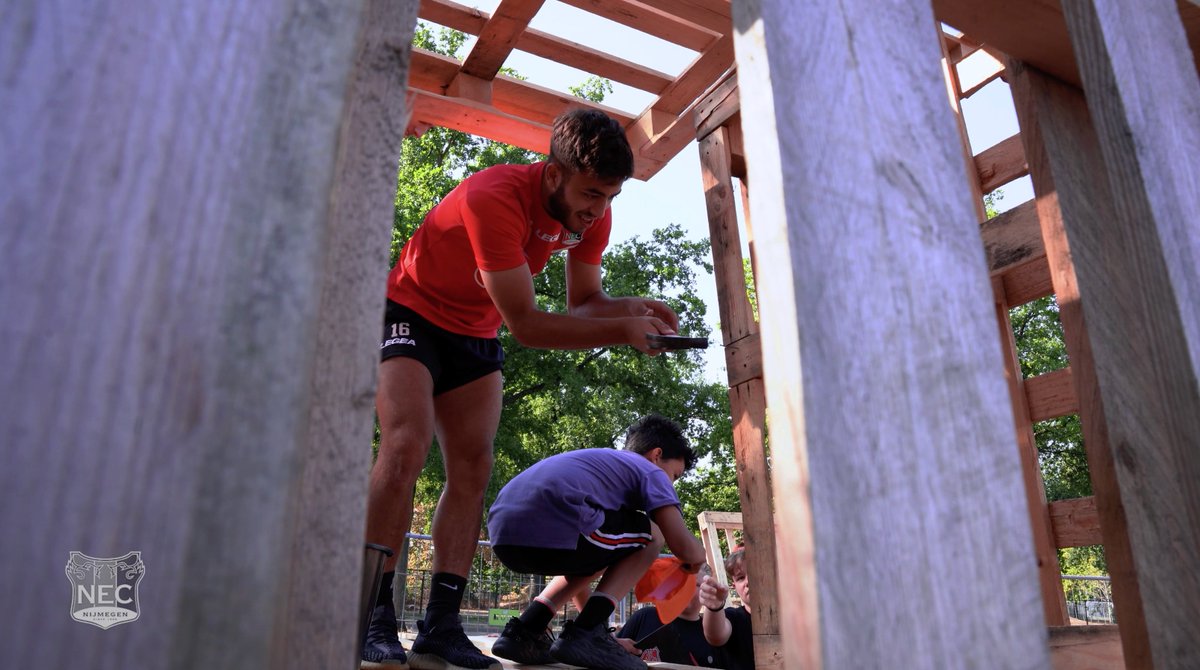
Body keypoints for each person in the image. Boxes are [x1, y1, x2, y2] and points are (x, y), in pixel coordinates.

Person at [361, 109, 681, 670]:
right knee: (406, 444)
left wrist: (632, 310)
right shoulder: (494, 197)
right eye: (591, 193)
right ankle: (371, 613)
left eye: (610, 196)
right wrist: (622, 331)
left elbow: (585, 304)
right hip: (412, 310)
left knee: (473, 466)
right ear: (554, 174)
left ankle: (441, 626)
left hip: (474, 332)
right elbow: (529, 326)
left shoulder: (592, 214)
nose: (598, 209)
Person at [486, 415, 708, 670]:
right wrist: (698, 559)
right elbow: (684, 548)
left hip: (505, 536)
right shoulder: (650, 470)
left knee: (608, 545)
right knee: (653, 534)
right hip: (554, 521)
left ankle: (526, 629)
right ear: (656, 455)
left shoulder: (603, 469)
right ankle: (586, 633)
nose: (671, 484)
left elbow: (585, 567)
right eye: (675, 475)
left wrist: (599, 636)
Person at [615, 569, 721, 667]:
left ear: (708, 592)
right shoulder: (644, 617)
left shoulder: (713, 633)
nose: (685, 588)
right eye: (681, 582)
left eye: (695, 584)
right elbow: (612, 653)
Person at [698, 549, 755, 670]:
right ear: (734, 586)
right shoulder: (734, 618)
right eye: (740, 578)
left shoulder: (792, 614)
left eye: (754, 572)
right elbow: (716, 636)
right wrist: (715, 607)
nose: (748, 582)